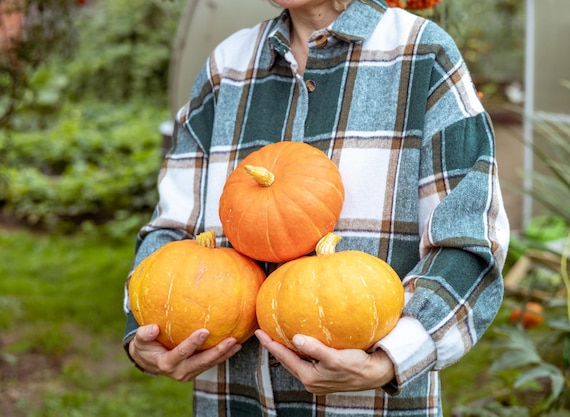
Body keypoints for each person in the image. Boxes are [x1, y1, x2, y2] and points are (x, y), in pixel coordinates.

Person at [122, 0, 510, 415]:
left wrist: (389, 357)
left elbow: (467, 239)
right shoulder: (226, 67)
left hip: (368, 407)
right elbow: (172, 229)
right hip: (235, 400)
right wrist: (143, 330)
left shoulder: (422, 54)